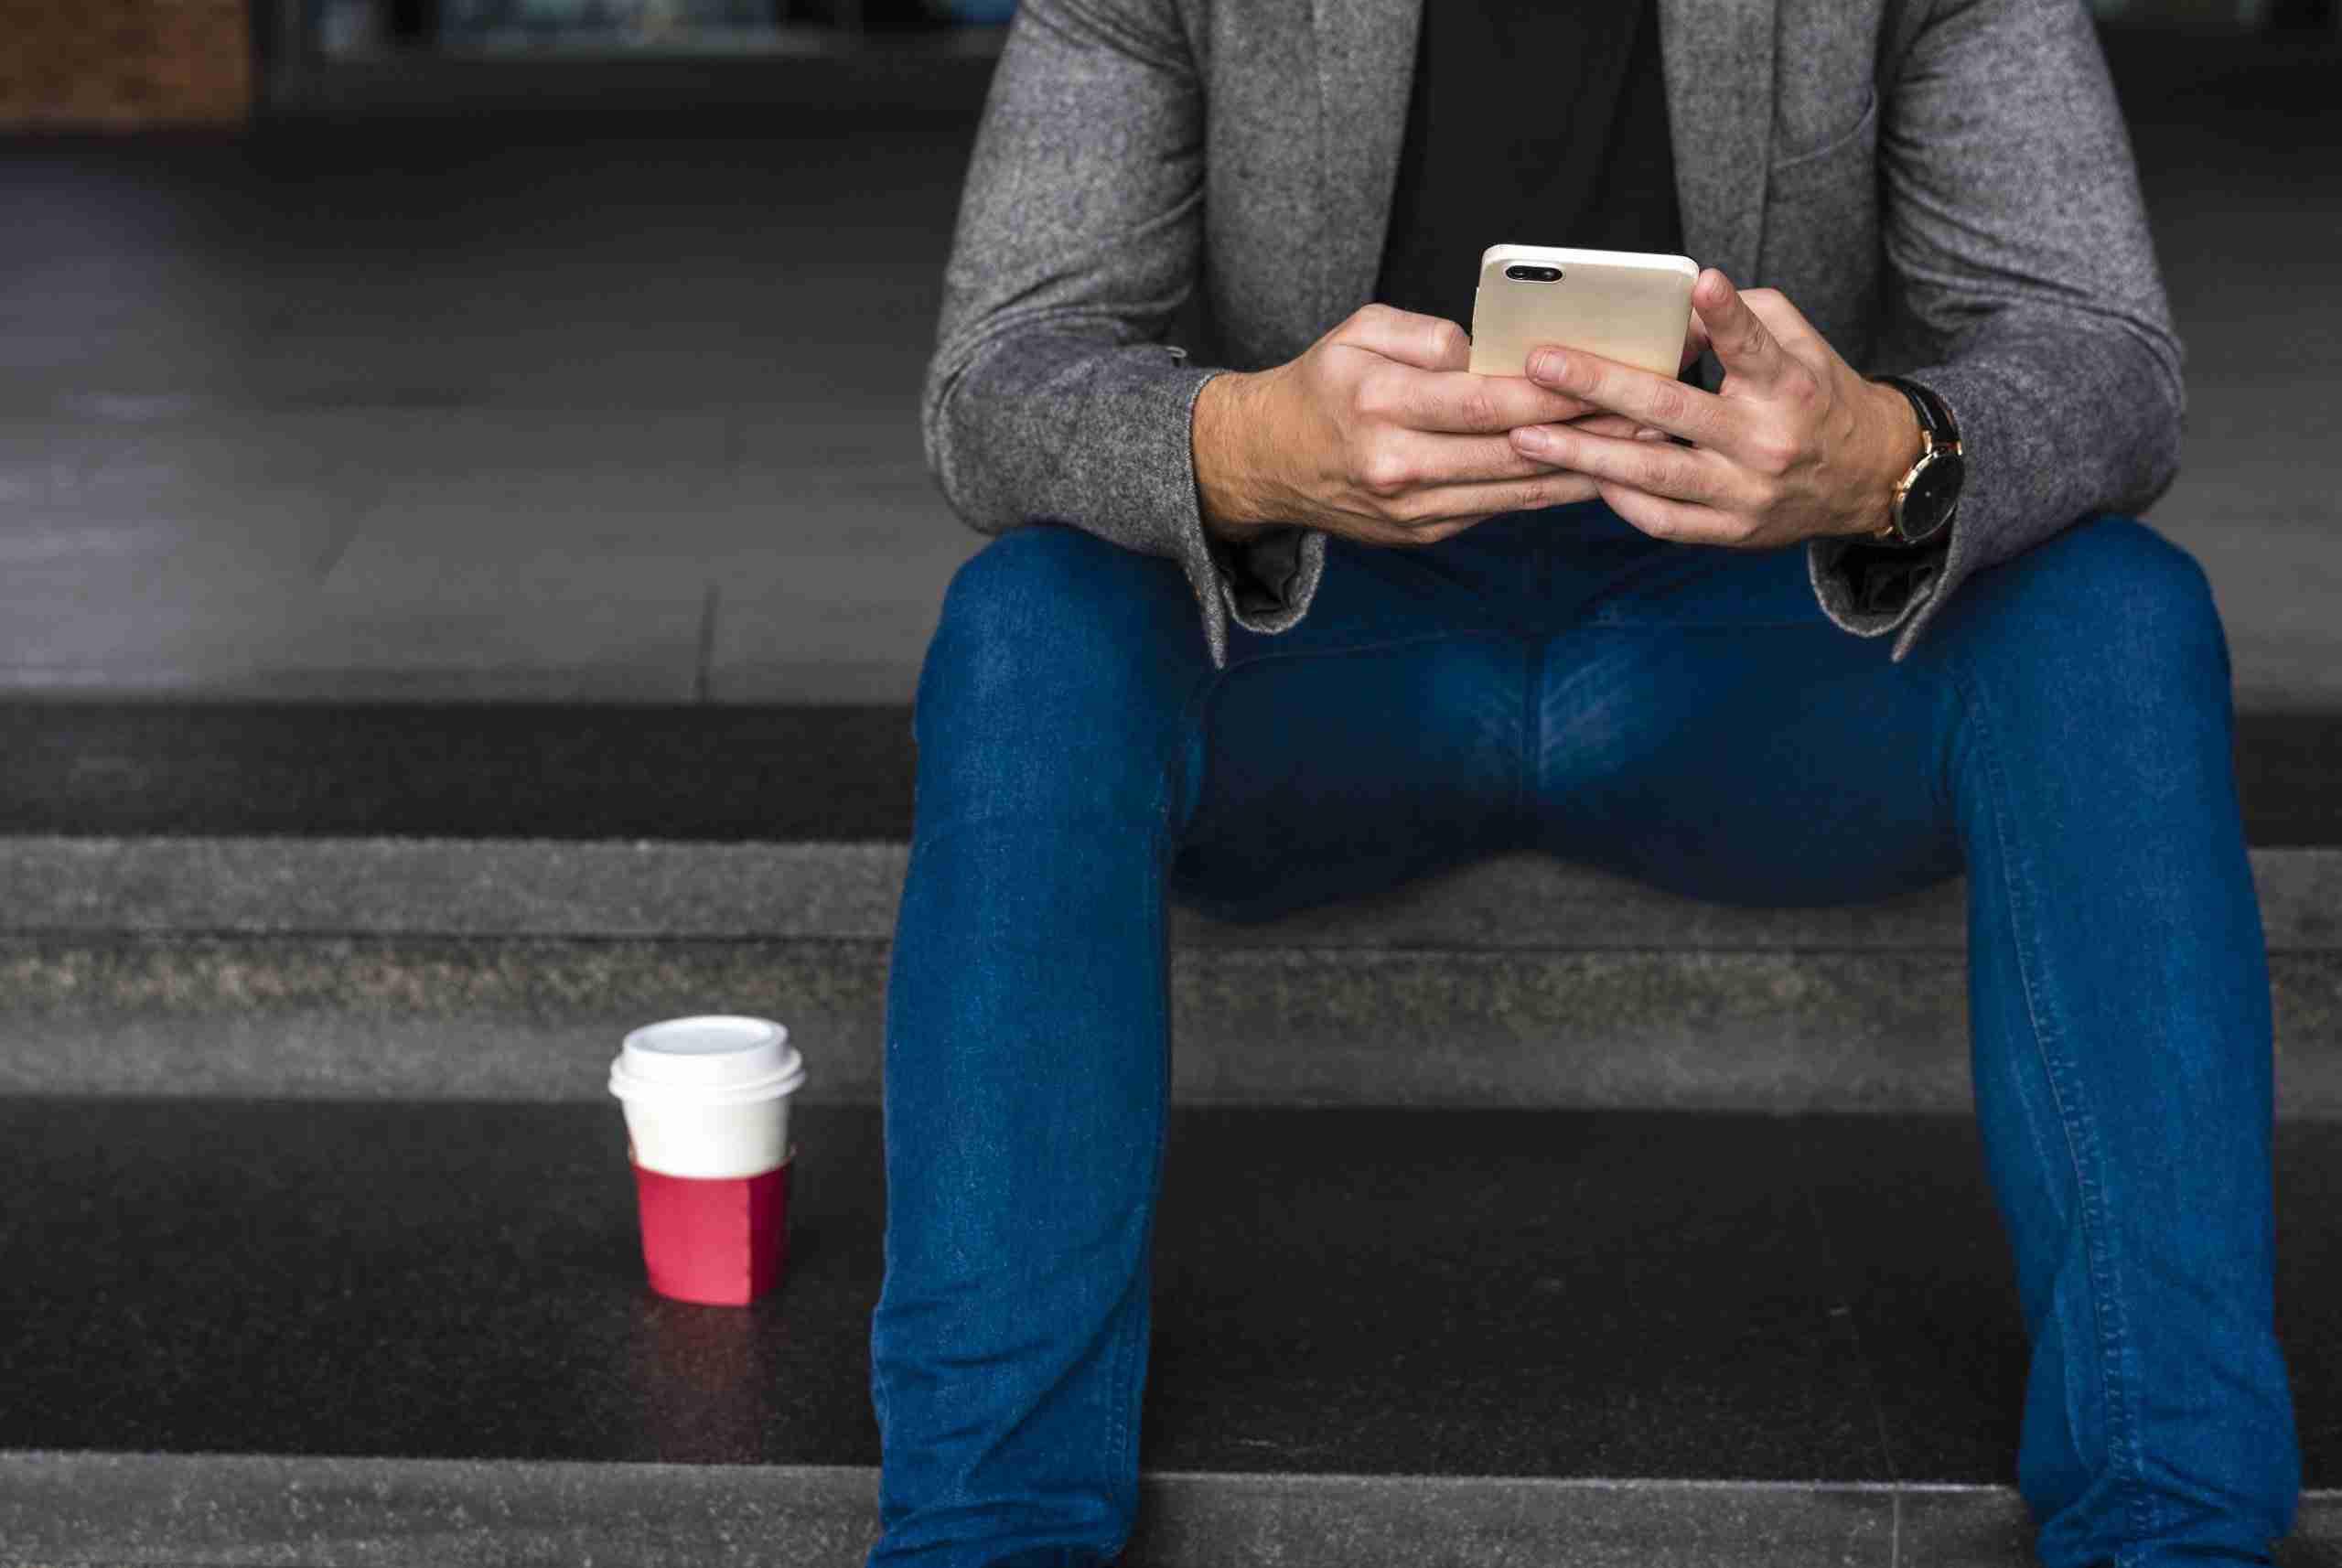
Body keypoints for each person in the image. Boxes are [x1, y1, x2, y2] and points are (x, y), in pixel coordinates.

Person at [866, 0, 2303, 1563]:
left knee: (2115, 615)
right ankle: (984, 1535)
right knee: (1030, 631)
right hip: (1332, 638)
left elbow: (2103, 351)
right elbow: (1001, 376)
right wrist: (1253, 444)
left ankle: (2178, 1526)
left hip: (1749, 641)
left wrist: (1883, 456)